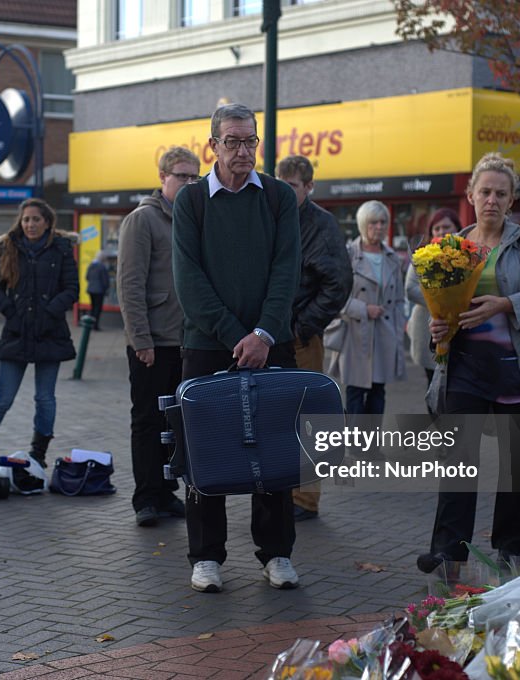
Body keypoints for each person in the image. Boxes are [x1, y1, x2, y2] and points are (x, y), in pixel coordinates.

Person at [417, 152, 520, 574]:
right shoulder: (451, 248)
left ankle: (510, 549)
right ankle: (448, 554)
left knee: (517, 469)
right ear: (470, 194)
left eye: (501, 193)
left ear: (512, 198)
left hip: (517, 372)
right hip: (464, 369)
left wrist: (506, 304)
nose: (491, 200)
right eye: (484, 191)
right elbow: (442, 307)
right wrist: (439, 328)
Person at [172, 103, 301, 593]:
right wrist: (235, 337)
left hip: (271, 343)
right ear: (213, 146)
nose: (243, 151)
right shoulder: (191, 201)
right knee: (206, 450)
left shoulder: (278, 197)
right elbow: (189, 282)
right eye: (233, 141)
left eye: (251, 141)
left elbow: (286, 271)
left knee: (274, 446)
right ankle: (206, 556)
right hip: (208, 346)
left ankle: (277, 554)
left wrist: (264, 334)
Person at [118, 145, 199, 527]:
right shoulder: (143, 220)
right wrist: (140, 340)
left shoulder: (193, 218)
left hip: (187, 340)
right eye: (181, 176)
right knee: (148, 420)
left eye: (193, 176)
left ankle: (166, 493)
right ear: (162, 178)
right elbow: (129, 284)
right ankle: (146, 498)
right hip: (153, 341)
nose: (188, 182)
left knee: (177, 425)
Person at [0, 198, 78, 468]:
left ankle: (38, 451)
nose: (30, 224)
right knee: (3, 396)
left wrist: (49, 312)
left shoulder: (61, 249)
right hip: (16, 332)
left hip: (49, 332)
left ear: (47, 222)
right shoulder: (9, 247)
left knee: (45, 397)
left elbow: (72, 289)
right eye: (26, 219)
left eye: (36, 219)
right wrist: (12, 312)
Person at [275, 155, 352, 522]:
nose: (286, 192)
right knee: (277, 418)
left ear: (309, 187)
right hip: (272, 334)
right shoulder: (273, 216)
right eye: (282, 184)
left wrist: (303, 326)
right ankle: (282, 492)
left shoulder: (322, 224)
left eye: (293, 186)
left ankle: (305, 500)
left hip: (302, 336)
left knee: (309, 419)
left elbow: (338, 284)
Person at [327, 200, 407, 416]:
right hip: (355, 333)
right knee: (355, 391)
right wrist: (363, 309)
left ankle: (371, 447)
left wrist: (400, 328)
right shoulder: (347, 254)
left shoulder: (392, 258)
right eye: (373, 222)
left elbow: (399, 300)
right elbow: (334, 297)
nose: (379, 227)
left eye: (383, 222)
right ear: (363, 225)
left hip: (384, 333)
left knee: (378, 392)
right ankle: (355, 447)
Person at [405, 208, 461, 384]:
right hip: (426, 328)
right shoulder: (422, 255)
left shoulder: (467, 255)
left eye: (446, 226)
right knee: (433, 382)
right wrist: (442, 302)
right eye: (436, 228)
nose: (441, 231)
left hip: (459, 328)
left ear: (457, 228)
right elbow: (410, 289)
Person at [86, 252, 110, 331]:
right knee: (97, 308)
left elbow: (87, 277)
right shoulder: (102, 267)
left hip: (91, 289)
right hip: (99, 290)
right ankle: (95, 325)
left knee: (92, 307)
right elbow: (105, 280)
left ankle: (90, 324)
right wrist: (106, 289)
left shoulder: (91, 265)